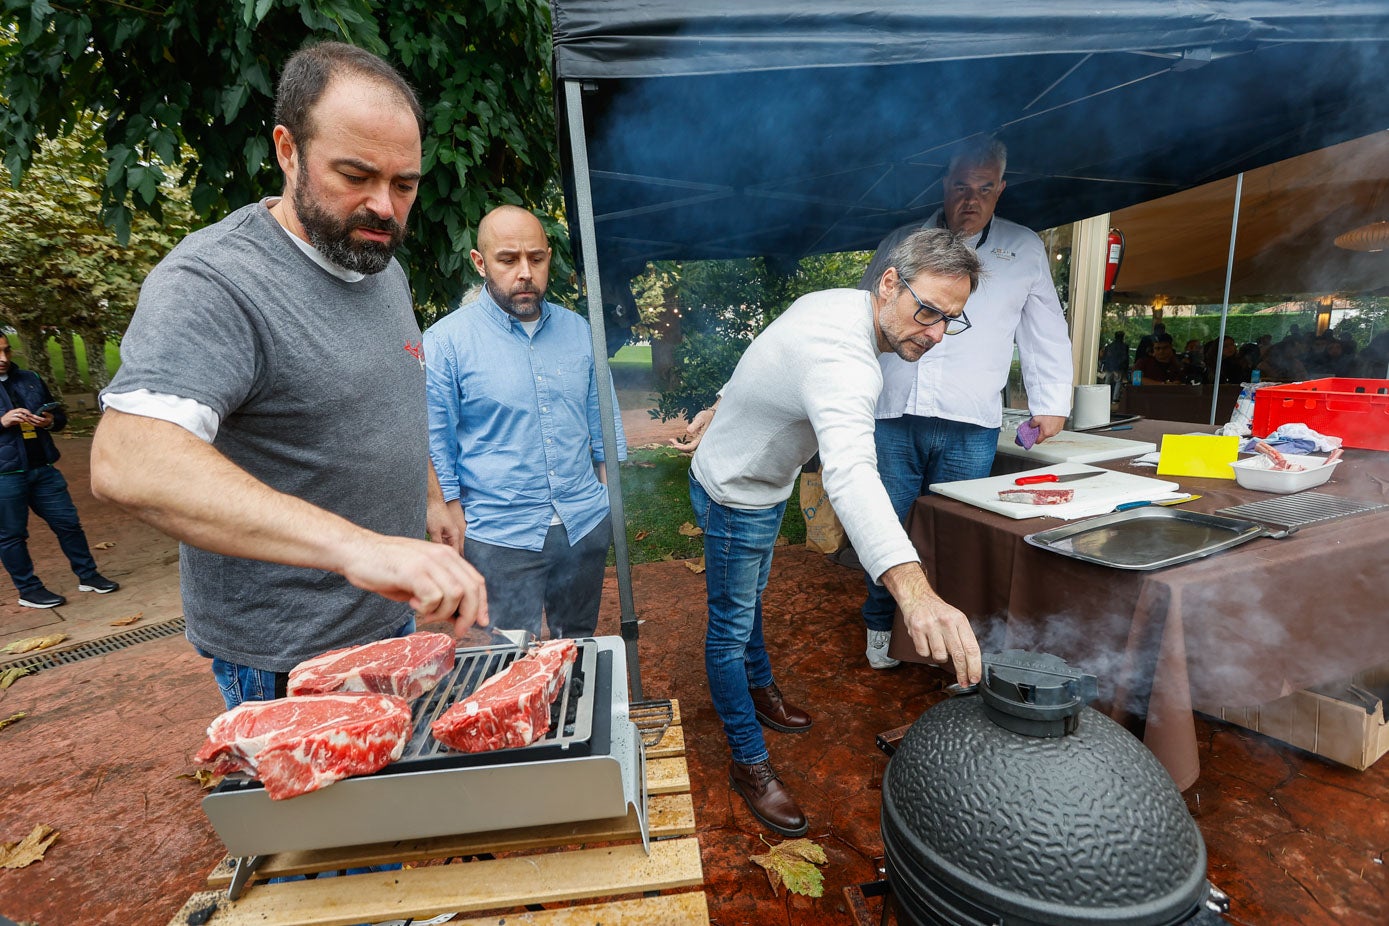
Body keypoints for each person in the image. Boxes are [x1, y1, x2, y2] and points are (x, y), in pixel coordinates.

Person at [91, 41, 487, 708]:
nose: (385, 208)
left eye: (404, 184)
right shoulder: (216, 280)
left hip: (387, 619)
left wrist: (425, 496)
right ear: (287, 150)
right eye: (356, 175)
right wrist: (359, 549)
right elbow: (128, 461)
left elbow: (383, 391)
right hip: (288, 658)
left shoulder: (377, 264)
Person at [689, 227, 984, 837]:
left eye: (949, 319)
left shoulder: (833, 304)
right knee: (728, 625)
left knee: (750, 600)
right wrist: (915, 592)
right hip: (731, 492)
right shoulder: (846, 361)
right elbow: (851, 474)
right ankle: (748, 760)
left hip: (764, 483)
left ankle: (761, 686)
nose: (933, 332)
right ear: (887, 284)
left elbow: (763, 351)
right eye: (925, 309)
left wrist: (723, 401)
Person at [853, 137, 1072, 669]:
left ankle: (952, 641)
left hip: (970, 419)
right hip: (895, 412)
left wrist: (1051, 401)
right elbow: (864, 316)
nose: (970, 199)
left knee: (958, 534)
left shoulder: (1024, 247)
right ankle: (881, 624)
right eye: (959, 186)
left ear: (1001, 188)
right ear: (943, 184)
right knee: (889, 523)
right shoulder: (902, 241)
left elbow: (1045, 328)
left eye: (984, 188)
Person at [425, 206, 626, 640]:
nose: (525, 273)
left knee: (577, 646)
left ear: (549, 257)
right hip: (498, 536)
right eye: (508, 259)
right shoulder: (446, 342)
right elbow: (435, 440)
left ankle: (570, 707)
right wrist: (450, 514)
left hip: (583, 526)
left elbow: (603, 427)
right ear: (480, 263)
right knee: (507, 665)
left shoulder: (581, 333)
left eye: (536, 259)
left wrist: (606, 505)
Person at [0, 336, 119, 608]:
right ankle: (28, 590)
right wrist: (2, 421)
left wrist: (51, 420)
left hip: (43, 468)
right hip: (5, 477)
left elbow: (59, 415)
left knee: (68, 524)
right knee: (12, 535)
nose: (4, 359)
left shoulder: (28, 378)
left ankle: (88, 576)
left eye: (6, 351)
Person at [1099, 331, 1130, 401]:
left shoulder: (1109, 346)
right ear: (1122, 337)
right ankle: (1115, 399)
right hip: (1119, 368)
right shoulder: (1125, 346)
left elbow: (1105, 357)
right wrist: (1125, 369)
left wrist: (1103, 367)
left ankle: (1103, 397)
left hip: (1109, 367)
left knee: (1107, 383)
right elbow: (1125, 358)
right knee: (1118, 382)